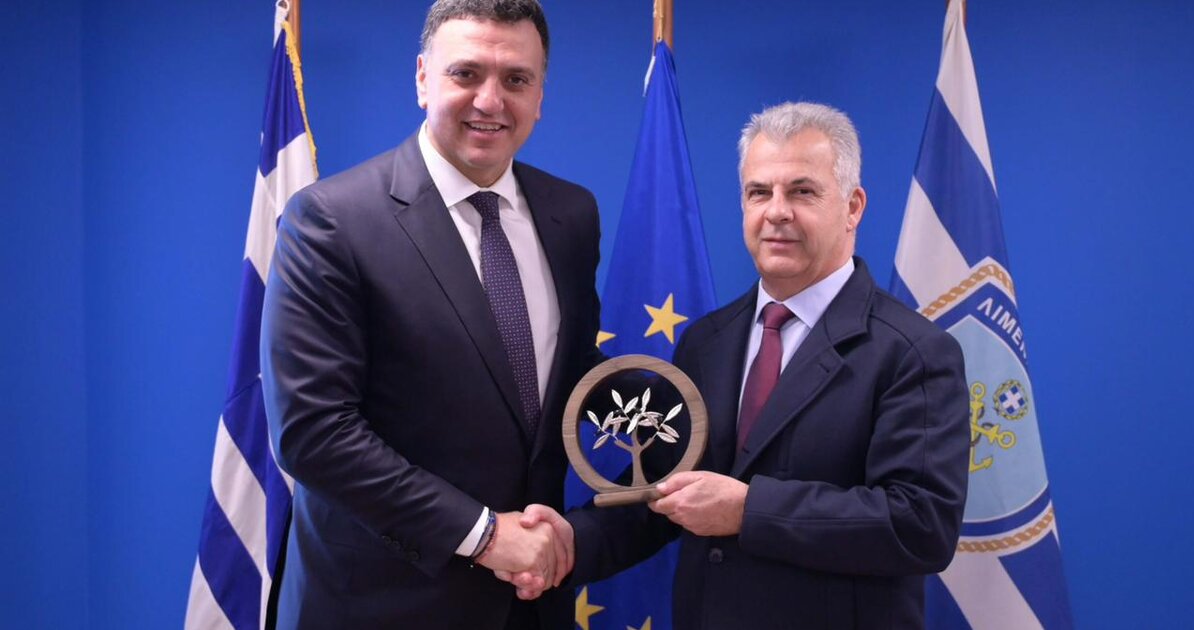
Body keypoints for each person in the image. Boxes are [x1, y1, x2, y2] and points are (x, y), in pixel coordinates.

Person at [515, 101, 970, 629]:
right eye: (759, 192)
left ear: (853, 207)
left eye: (802, 191)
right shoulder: (706, 342)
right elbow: (664, 487)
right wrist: (571, 541)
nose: (776, 212)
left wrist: (749, 509)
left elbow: (920, 525)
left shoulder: (913, 352)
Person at [260, 1, 600, 628]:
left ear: (540, 95)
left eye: (516, 79)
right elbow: (313, 432)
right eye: (466, 74)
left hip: (530, 604)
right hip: (379, 606)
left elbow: (572, 374)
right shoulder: (331, 221)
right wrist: (486, 536)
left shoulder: (571, 214)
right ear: (422, 78)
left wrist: (689, 422)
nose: (490, 101)